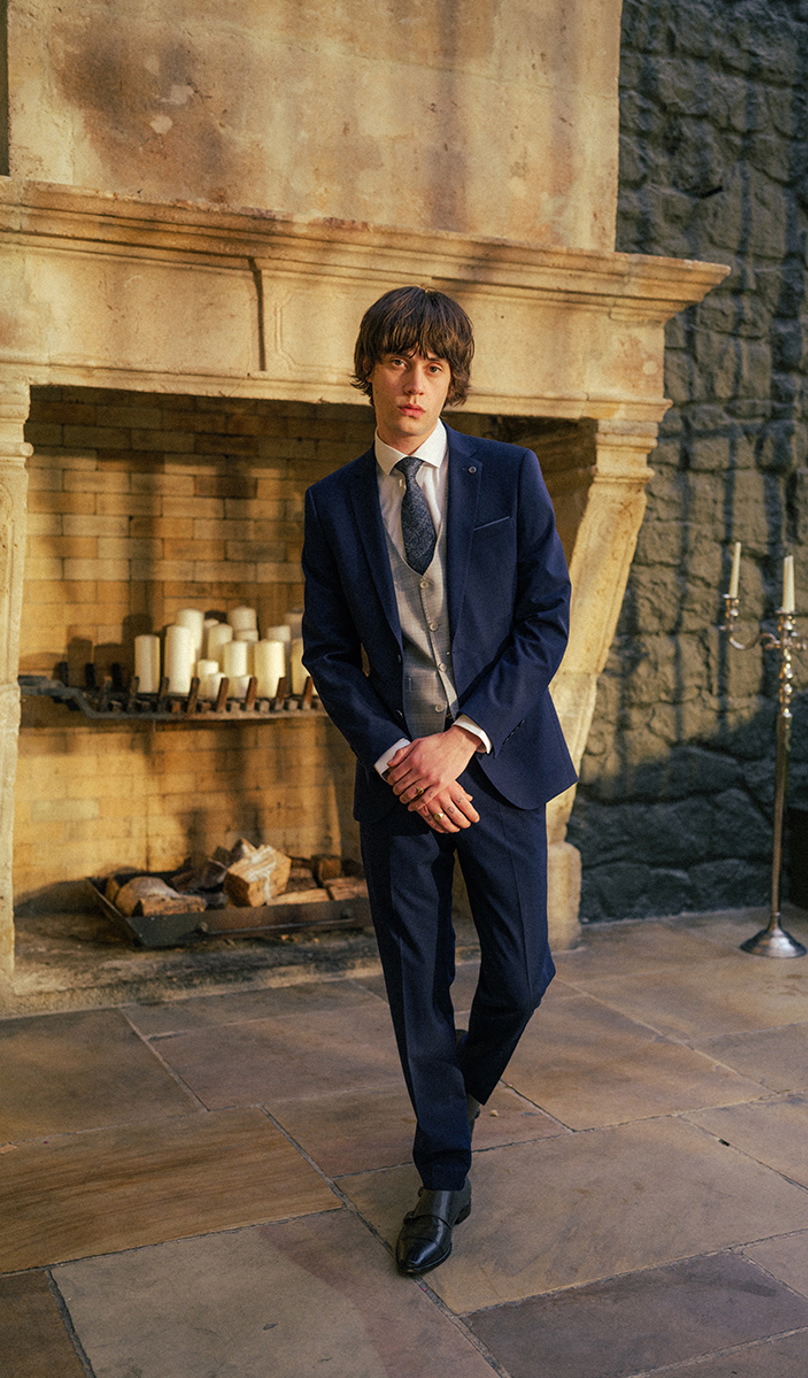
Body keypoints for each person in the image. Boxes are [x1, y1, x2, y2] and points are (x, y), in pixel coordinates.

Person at [301, 285, 576, 1275]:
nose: (413, 380)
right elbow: (328, 654)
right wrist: (399, 757)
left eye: (433, 364)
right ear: (367, 370)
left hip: (495, 769)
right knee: (416, 983)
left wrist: (460, 739)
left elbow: (546, 620)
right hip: (397, 782)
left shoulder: (510, 474)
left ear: (453, 378)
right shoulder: (331, 502)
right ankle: (442, 1174)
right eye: (394, 359)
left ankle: (447, 1096)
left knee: (521, 970)